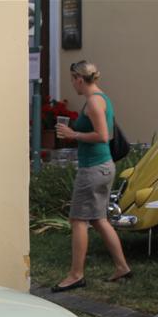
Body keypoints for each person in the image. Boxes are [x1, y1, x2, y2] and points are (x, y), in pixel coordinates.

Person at [51, 60, 131, 292]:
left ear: (79, 79)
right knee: (99, 219)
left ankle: (76, 274)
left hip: (94, 168)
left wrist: (73, 133)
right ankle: (122, 267)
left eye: (72, 80)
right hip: (103, 167)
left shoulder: (94, 103)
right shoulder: (101, 98)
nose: (72, 85)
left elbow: (102, 135)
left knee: (78, 220)